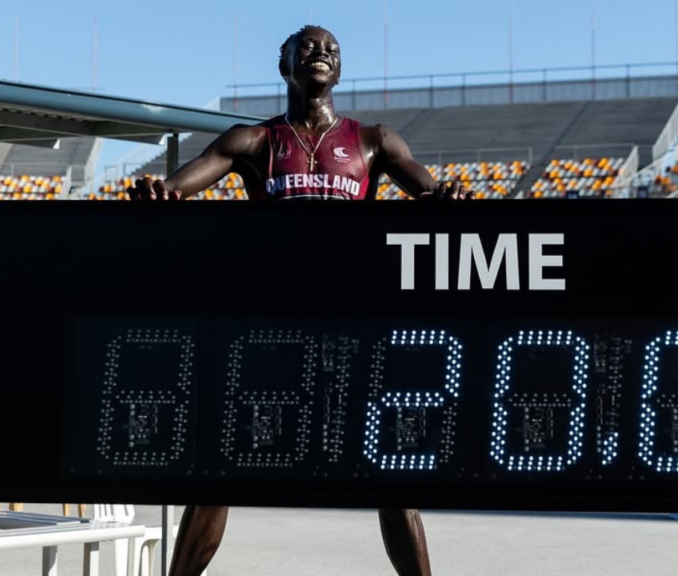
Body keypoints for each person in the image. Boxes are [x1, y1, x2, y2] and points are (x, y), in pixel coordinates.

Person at [127, 24, 471, 576]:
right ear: (284, 63)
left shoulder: (373, 140)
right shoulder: (253, 141)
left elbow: (431, 193)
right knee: (219, 473)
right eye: (309, 47)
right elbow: (177, 189)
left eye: (332, 50)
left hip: (350, 327)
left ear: (340, 70)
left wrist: (447, 197)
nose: (322, 54)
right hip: (272, 327)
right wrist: (155, 194)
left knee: (392, 480)